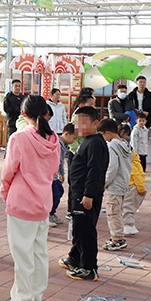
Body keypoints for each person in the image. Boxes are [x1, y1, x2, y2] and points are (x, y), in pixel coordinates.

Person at [0, 95, 60, 301]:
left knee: (22, 255)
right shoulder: (54, 140)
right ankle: (35, 299)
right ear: (45, 113)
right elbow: (53, 171)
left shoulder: (19, 138)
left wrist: (4, 191)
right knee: (38, 253)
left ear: (23, 114)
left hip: (21, 202)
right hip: (43, 202)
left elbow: (8, 170)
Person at [59, 107, 108, 281]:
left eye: (82, 123)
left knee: (85, 230)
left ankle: (89, 267)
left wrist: (89, 194)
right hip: (78, 192)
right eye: (76, 123)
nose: (77, 127)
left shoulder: (95, 143)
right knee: (78, 228)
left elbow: (95, 171)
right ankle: (75, 258)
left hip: (85, 195)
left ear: (95, 123)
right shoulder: (87, 140)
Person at [101, 120, 131, 251]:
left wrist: (104, 183)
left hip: (115, 185)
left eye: (102, 134)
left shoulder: (112, 146)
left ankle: (118, 239)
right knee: (117, 211)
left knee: (113, 213)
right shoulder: (125, 144)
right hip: (123, 182)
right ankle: (117, 237)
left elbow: (112, 167)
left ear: (108, 133)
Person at [120, 124, 147, 236]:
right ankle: (128, 225)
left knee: (127, 208)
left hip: (134, 187)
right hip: (135, 186)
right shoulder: (135, 160)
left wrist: (141, 188)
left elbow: (136, 175)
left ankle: (128, 226)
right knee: (129, 207)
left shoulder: (132, 164)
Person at [52, 123, 76, 225]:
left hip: (54, 174)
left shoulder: (63, 145)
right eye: (73, 138)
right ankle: (48, 214)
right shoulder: (58, 144)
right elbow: (59, 161)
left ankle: (51, 213)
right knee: (56, 192)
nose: (73, 141)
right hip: (51, 174)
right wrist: (61, 173)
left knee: (59, 191)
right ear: (66, 134)